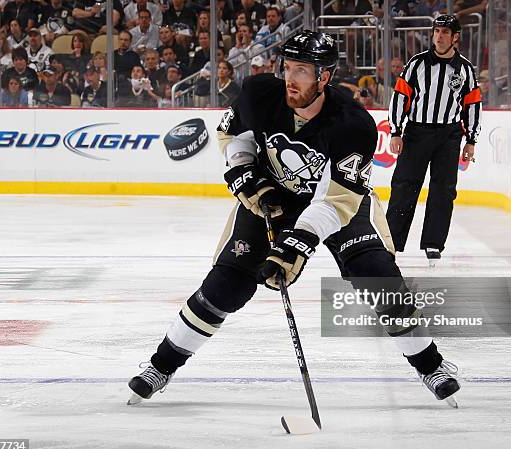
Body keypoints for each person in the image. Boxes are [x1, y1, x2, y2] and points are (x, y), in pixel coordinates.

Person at [127, 30, 460, 408]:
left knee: (378, 276)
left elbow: (336, 201)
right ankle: (161, 366)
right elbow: (234, 135)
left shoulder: (353, 124)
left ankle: (431, 365)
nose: (290, 77)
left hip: (340, 203)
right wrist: (244, 172)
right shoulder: (259, 93)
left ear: (325, 76)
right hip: (274, 199)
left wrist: (296, 245)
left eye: (302, 70)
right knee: (227, 285)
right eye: (287, 67)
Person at [386, 15, 482, 262]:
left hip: (449, 136)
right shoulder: (416, 64)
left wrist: (471, 139)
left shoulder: (465, 69)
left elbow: (472, 105)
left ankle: (433, 243)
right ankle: (392, 241)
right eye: (436, 31)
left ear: (455, 37)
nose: (439, 36)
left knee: (443, 191)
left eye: (445, 32)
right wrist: (396, 131)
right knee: (404, 187)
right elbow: (400, 97)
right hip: (417, 132)